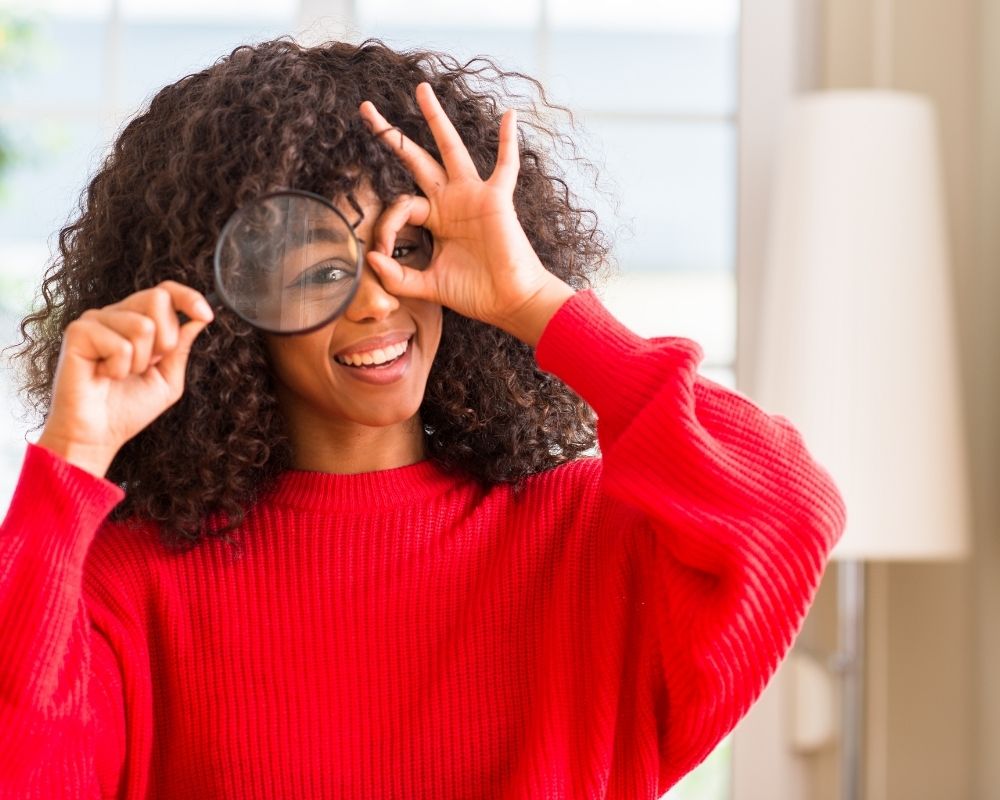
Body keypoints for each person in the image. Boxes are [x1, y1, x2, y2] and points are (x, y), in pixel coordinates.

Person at [0, 38, 845, 799]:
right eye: (315, 268)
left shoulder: (583, 537)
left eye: (409, 250)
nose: (377, 301)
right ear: (228, 304)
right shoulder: (130, 579)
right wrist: (72, 459)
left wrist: (535, 303)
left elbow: (789, 513)